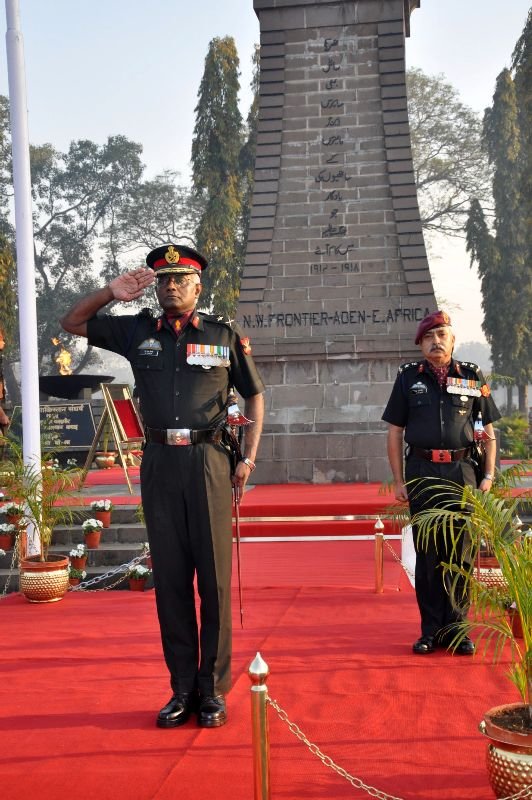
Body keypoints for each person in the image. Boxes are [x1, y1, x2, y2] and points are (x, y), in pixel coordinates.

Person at [60, 243, 264, 728]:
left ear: (197, 286)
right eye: (164, 279)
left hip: (210, 461)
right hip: (159, 462)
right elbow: (71, 322)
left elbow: (255, 395)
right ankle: (182, 690)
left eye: (180, 279)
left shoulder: (222, 335)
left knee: (213, 581)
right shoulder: (136, 331)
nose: (171, 286)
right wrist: (111, 292)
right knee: (170, 581)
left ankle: (212, 692)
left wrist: (249, 459)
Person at [382, 311, 500, 655]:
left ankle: (458, 629)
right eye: (429, 336)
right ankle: (431, 630)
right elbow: (394, 431)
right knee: (429, 552)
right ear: (420, 343)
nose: (437, 341)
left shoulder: (472, 376)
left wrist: (488, 475)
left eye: (443, 335)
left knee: (461, 552)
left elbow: (489, 431)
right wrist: (398, 480)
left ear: (453, 341)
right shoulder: (407, 378)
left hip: (463, 473)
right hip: (422, 471)